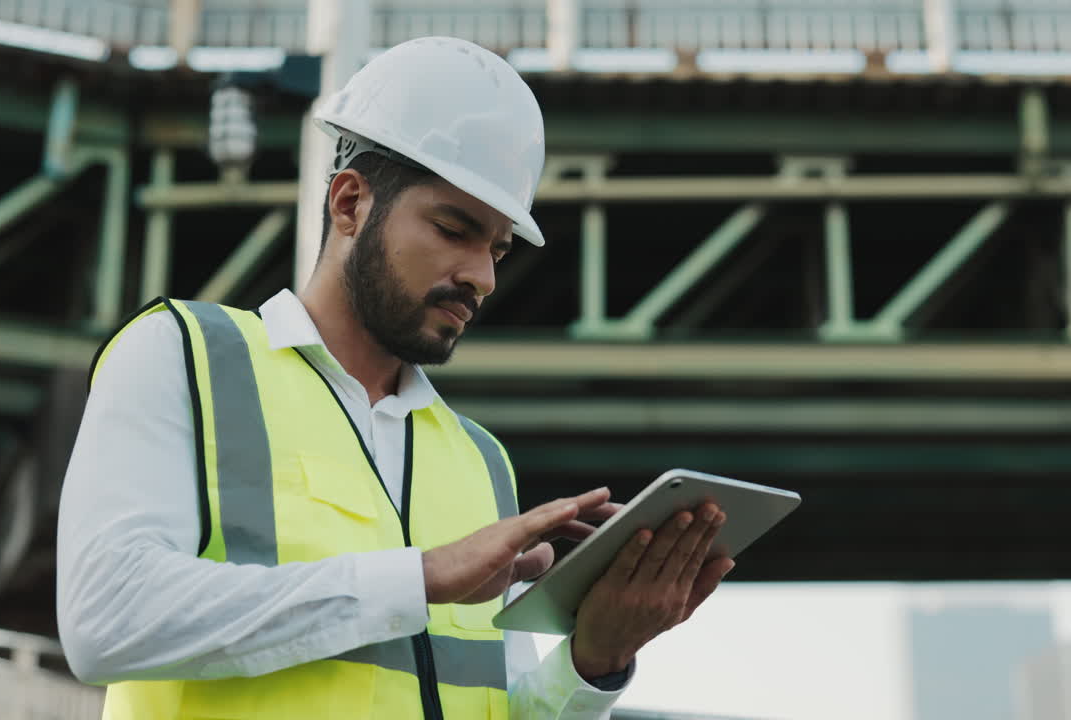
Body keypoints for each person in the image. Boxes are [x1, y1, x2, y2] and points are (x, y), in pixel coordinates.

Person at [56, 36, 733, 720]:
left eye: (497, 247)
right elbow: (103, 621)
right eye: (453, 229)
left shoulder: (480, 462)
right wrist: (422, 579)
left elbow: (492, 705)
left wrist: (596, 659)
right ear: (349, 203)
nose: (484, 276)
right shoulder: (182, 355)